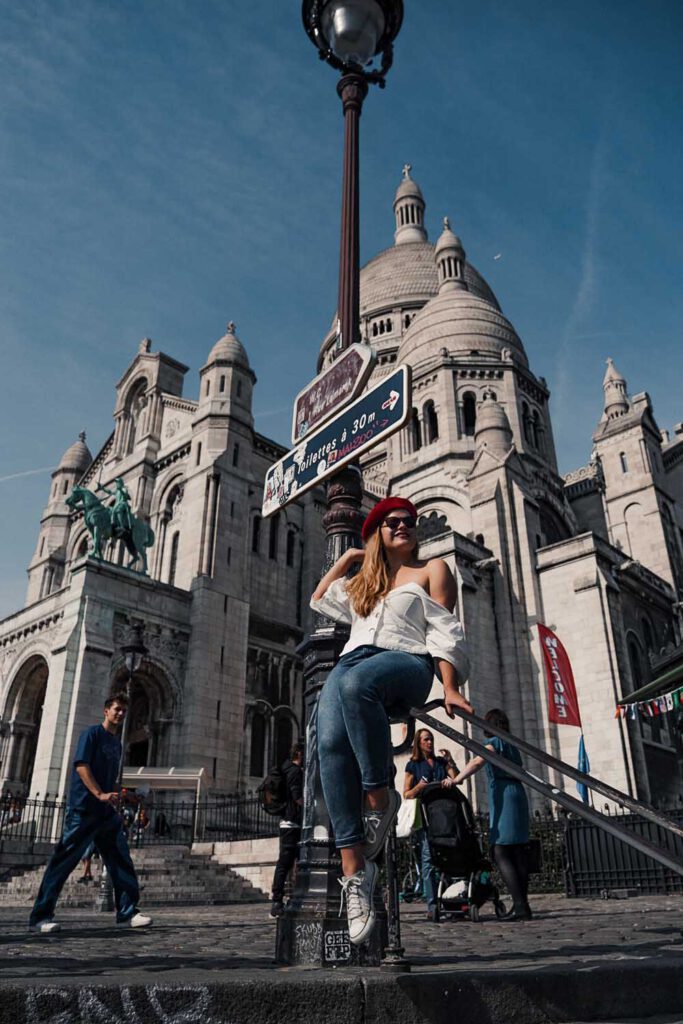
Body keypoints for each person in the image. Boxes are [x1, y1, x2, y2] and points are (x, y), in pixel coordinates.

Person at [311, 496, 471, 945]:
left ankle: (380, 800)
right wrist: (348, 556)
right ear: (378, 531)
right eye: (392, 522)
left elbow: (445, 632)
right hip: (352, 666)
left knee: (353, 684)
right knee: (328, 745)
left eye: (409, 521)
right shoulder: (367, 580)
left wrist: (451, 685)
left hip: (407, 664)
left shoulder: (432, 570)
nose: (403, 526)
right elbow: (318, 600)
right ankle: (355, 873)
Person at [28, 693, 153, 934]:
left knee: (121, 859)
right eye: (117, 709)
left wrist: (124, 793)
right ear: (106, 711)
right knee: (63, 862)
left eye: (124, 711)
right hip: (84, 808)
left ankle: (128, 912)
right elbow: (81, 766)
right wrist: (98, 794)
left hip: (105, 812)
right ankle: (40, 918)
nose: (121, 714)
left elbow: (110, 780)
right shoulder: (91, 735)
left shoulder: (116, 743)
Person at [450, 707, 532, 920]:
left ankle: (520, 905)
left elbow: (478, 761)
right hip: (518, 793)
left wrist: (458, 778)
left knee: (500, 851)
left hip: (504, 795)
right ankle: (523, 905)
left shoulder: (494, 743)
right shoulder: (513, 746)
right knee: (518, 852)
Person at [403, 728, 457, 921]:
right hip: (426, 818)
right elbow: (406, 793)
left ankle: (451, 900)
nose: (430, 742)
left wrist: (450, 762)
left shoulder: (441, 763)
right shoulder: (413, 765)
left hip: (445, 816)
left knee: (448, 858)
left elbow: (455, 777)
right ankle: (432, 904)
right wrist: (420, 787)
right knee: (428, 861)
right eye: (426, 739)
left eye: (431, 739)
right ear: (418, 742)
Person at [270, 742, 304, 918]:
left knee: (290, 862)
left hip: (287, 822)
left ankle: (287, 898)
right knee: (286, 862)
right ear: (298, 753)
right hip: (292, 824)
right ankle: (277, 901)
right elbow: (297, 796)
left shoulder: (285, 768)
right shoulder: (294, 771)